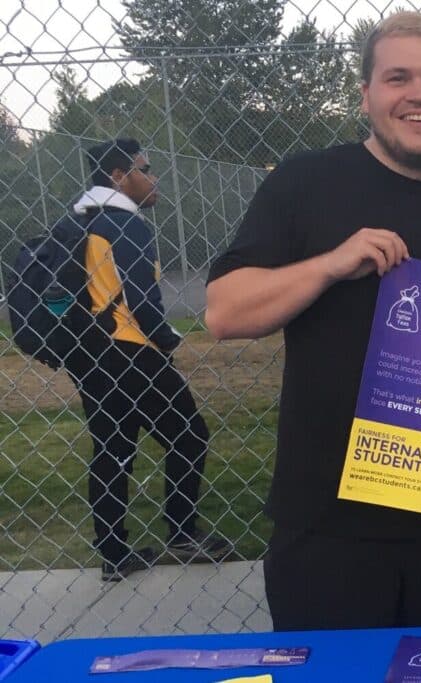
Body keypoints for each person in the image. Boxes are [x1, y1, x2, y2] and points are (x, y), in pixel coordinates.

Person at [205, 12, 421, 630]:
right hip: (327, 533)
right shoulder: (306, 184)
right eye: (397, 77)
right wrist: (329, 264)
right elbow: (223, 311)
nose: (418, 94)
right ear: (367, 95)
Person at [65, 139, 229, 582]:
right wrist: (167, 341)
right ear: (118, 177)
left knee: (112, 450)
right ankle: (181, 532)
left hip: (92, 355)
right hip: (133, 350)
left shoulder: (81, 220)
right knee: (190, 437)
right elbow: (142, 298)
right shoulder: (126, 224)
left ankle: (113, 554)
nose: (153, 178)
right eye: (144, 169)